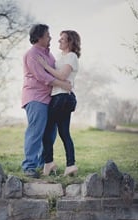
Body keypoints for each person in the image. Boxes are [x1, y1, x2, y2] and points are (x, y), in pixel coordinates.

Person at [21, 24, 72, 178]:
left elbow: (57, 72)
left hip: (50, 98)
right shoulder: (32, 54)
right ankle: (29, 166)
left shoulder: (49, 55)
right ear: (39, 37)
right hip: (36, 98)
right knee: (36, 132)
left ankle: (45, 164)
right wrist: (63, 84)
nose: (51, 37)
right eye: (47, 35)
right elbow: (42, 77)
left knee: (50, 134)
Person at [38, 30, 81, 176]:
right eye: (60, 38)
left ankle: (49, 163)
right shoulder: (61, 57)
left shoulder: (72, 56)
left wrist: (45, 66)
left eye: (63, 39)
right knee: (63, 133)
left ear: (70, 42)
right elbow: (59, 78)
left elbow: (62, 75)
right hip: (60, 97)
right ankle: (70, 165)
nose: (59, 41)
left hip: (61, 98)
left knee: (46, 131)